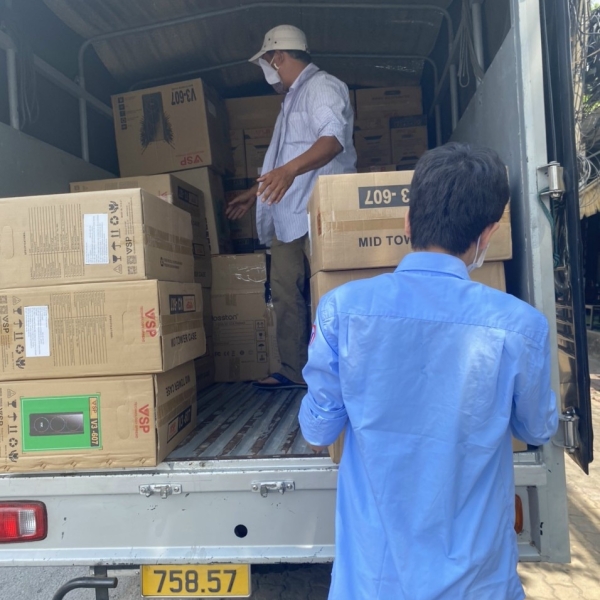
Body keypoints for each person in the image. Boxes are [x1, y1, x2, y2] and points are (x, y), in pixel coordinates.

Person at [299, 143, 559, 600]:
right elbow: (536, 428)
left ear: (407, 222)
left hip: (372, 584)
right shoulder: (521, 327)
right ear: (487, 235)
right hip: (477, 584)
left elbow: (318, 430)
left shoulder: (342, 310)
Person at [225, 25, 357, 390]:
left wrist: (286, 172)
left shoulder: (322, 87)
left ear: (279, 57)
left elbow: (332, 141)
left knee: (327, 291)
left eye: (267, 63)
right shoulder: (291, 99)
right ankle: (293, 369)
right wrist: (254, 192)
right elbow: (283, 160)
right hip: (288, 215)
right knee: (285, 291)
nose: (268, 72)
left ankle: (339, 372)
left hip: (321, 213)